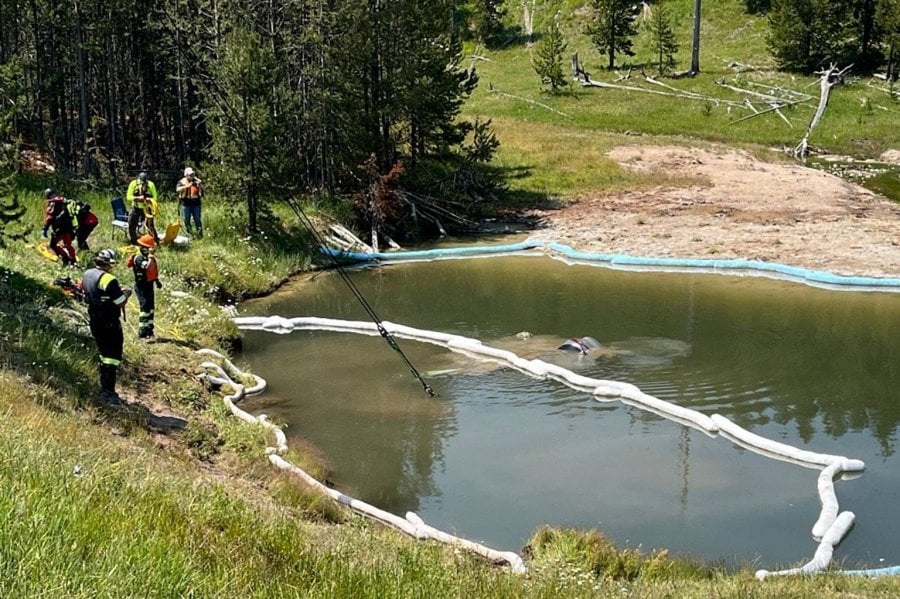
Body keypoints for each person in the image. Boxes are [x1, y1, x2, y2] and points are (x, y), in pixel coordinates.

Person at [81, 249, 132, 405]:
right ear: (110, 263)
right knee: (112, 356)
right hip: (109, 321)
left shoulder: (88, 273)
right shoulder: (110, 279)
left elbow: (93, 291)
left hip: (94, 318)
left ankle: (104, 386)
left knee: (103, 353)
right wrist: (127, 294)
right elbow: (120, 302)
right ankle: (108, 391)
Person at [130, 234, 162, 339]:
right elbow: (149, 267)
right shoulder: (139, 258)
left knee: (151, 307)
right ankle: (142, 331)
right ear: (143, 247)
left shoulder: (147, 257)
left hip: (149, 285)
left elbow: (153, 271)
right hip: (141, 286)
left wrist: (157, 281)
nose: (150, 250)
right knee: (144, 307)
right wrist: (151, 256)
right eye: (149, 248)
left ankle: (149, 330)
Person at [41, 188, 77, 266]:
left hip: (59, 228)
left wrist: (45, 228)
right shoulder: (64, 201)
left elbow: (50, 217)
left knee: (53, 245)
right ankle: (73, 261)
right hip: (69, 228)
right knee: (68, 245)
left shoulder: (53, 203)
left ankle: (65, 259)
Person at [126, 171, 159, 245]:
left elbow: (155, 197)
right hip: (136, 207)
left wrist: (148, 199)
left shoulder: (151, 184)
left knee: (150, 225)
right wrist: (137, 198)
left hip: (147, 208)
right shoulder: (133, 184)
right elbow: (128, 197)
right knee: (131, 224)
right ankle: (134, 241)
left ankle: (154, 240)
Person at [176, 166, 204, 238]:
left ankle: (200, 234)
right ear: (186, 175)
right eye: (190, 174)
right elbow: (178, 189)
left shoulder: (197, 181)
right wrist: (187, 186)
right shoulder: (182, 181)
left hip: (196, 203)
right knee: (186, 219)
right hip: (186, 203)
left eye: (192, 174)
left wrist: (200, 185)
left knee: (197, 218)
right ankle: (189, 234)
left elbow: (203, 189)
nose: (192, 176)